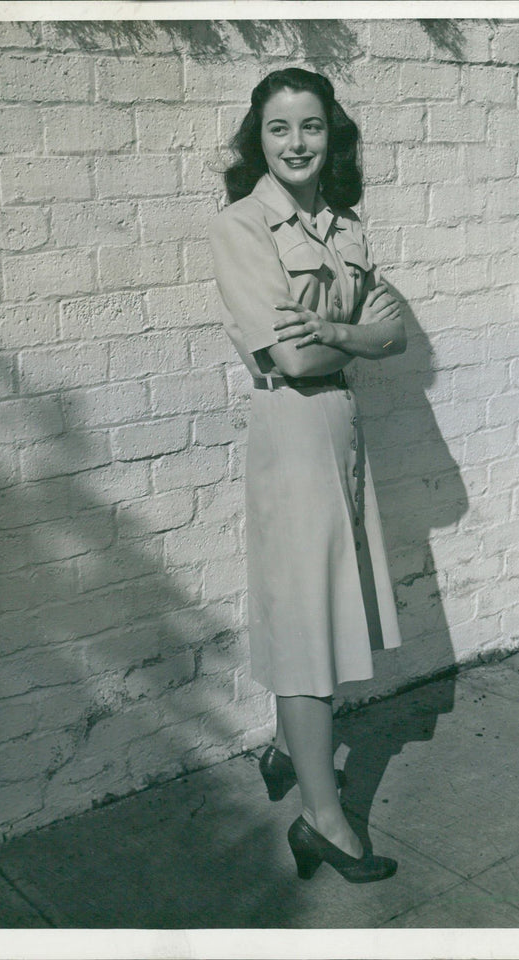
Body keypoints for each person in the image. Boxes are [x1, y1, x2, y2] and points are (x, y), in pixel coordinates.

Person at [208, 68, 406, 884]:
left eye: (312, 127)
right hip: (293, 432)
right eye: (280, 128)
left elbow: (395, 337)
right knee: (307, 629)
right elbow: (291, 357)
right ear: (258, 137)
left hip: (341, 427)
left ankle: (292, 753)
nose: (296, 143)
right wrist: (351, 333)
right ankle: (324, 823)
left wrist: (343, 333)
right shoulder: (242, 226)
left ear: (333, 135)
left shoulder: (346, 225)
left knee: (321, 605)